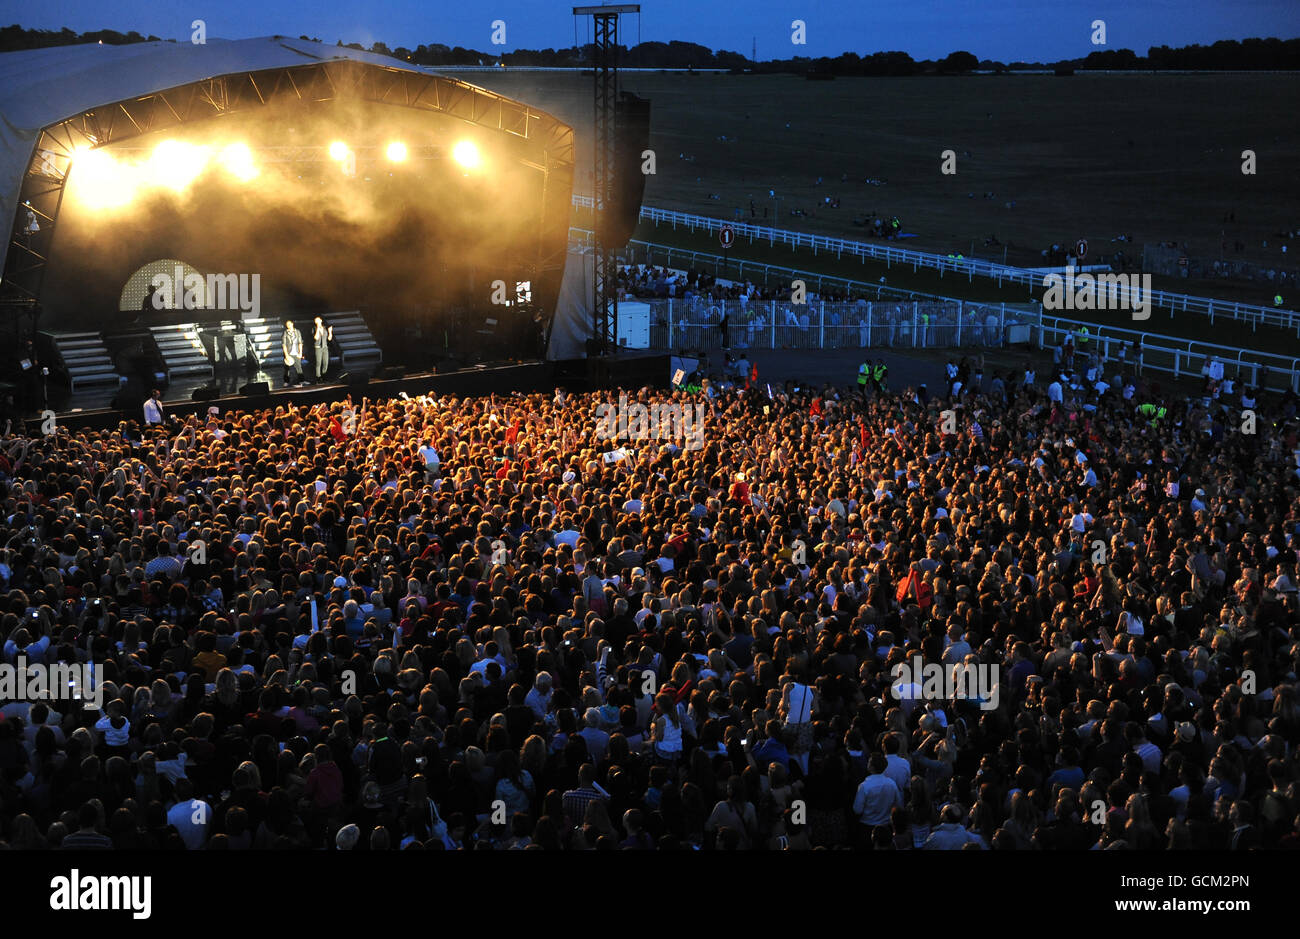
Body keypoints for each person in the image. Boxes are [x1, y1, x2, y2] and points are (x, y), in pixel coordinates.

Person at [283, 320, 304, 385]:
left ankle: (302, 381)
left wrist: (300, 353)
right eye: (287, 324)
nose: (288, 325)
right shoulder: (285, 333)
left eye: (289, 324)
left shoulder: (297, 331)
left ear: (292, 324)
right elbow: (284, 344)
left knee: (299, 367)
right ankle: (286, 381)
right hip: (289, 353)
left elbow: (300, 342)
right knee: (287, 369)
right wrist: (286, 355)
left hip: (296, 352)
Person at [313, 317, 333, 382]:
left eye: (318, 320)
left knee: (326, 363)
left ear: (321, 320)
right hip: (318, 348)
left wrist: (330, 332)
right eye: (316, 321)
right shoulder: (314, 328)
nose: (317, 322)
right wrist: (318, 329)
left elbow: (329, 339)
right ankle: (318, 377)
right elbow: (316, 338)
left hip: (325, 347)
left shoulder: (325, 328)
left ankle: (324, 376)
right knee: (318, 363)